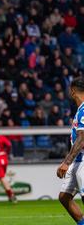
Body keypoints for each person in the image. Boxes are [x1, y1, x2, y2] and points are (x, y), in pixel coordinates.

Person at [57, 76, 84, 225]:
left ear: (73, 91)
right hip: (78, 160)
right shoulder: (80, 110)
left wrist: (66, 162)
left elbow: (82, 138)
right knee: (64, 197)